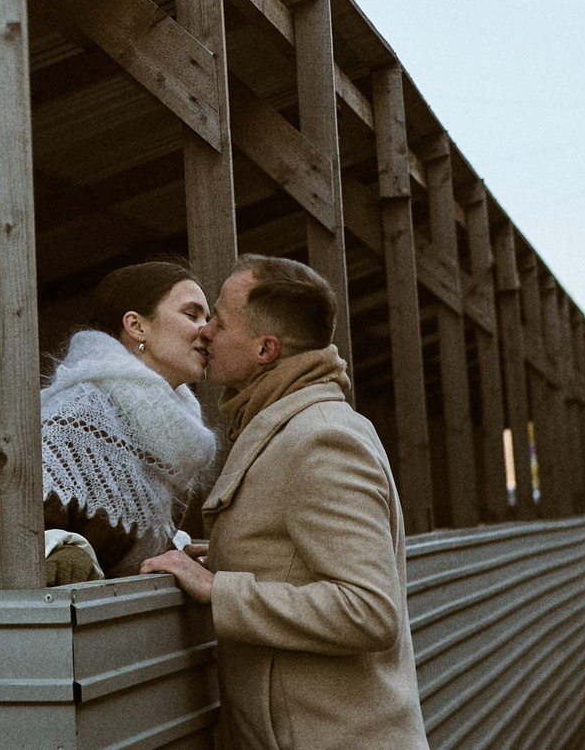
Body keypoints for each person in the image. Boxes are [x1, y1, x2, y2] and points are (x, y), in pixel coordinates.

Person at [140, 255, 426, 750]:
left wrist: (218, 589)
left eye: (221, 321)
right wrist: (230, 554)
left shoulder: (321, 439)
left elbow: (368, 610)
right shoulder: (285, 424)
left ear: (265, 349)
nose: (206, 331)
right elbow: (299, 555)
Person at [39, 261, 219, 582]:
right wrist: (60, 547)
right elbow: (20, 523)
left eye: (207, 318)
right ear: (137, 326)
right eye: (192, 315)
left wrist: (176, 550)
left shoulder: (173, 427)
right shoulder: (79, 410)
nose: (208, 330)